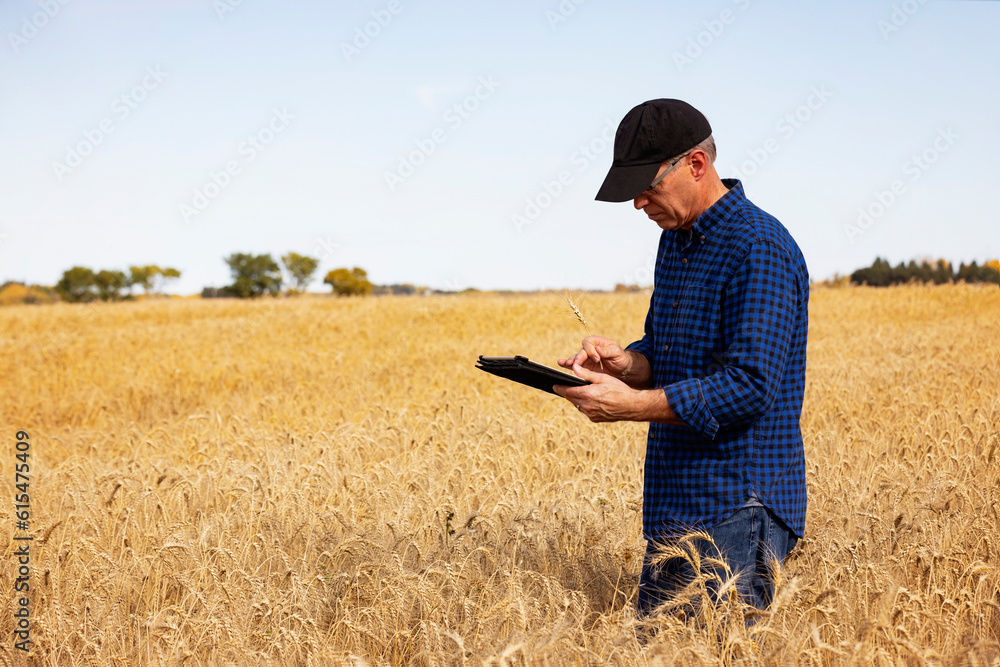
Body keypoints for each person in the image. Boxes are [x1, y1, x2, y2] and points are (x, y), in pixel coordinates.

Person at [553, 99, 809, 618]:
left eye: (647, 186)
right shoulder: (676, 242)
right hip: (677, 502)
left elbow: (750, 385)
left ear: (696, 165)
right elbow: (664, 351)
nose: (638, 204)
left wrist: (630, 406)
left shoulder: (759, 247)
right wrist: (626, 365)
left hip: (738, 503)